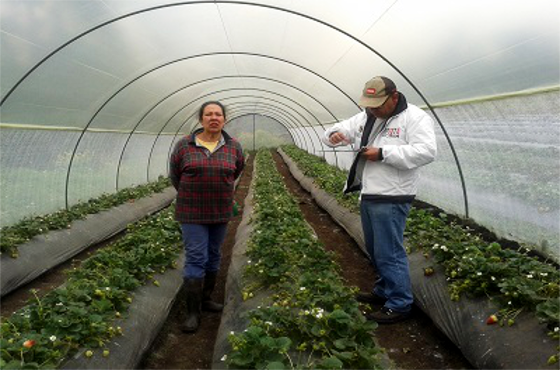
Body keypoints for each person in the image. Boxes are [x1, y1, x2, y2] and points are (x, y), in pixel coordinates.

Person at [322, 76, 437, 324]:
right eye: (369, 104)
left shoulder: (414, 118)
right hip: (370, 191)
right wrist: (334, 135)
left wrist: (383, 153)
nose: (372, 108)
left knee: (389, 251)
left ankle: (399, 303)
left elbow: (426, 151)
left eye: (378, 104)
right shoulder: (367, 116)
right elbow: (336, 130)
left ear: (394, 97)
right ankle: (384, 290)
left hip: (393, 194)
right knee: (375, 248)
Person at [169, 101, 245, 333]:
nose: (214, 118)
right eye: (209, 114)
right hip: (192, 212)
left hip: (220, 211)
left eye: (218, 114)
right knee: (195, 257)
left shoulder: (234, 147)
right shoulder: (184, 146)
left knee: (214, 255)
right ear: (201, 119)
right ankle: (192, 312)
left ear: (224, 119)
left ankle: (205, 299)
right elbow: (175, 176)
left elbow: (237, 171)